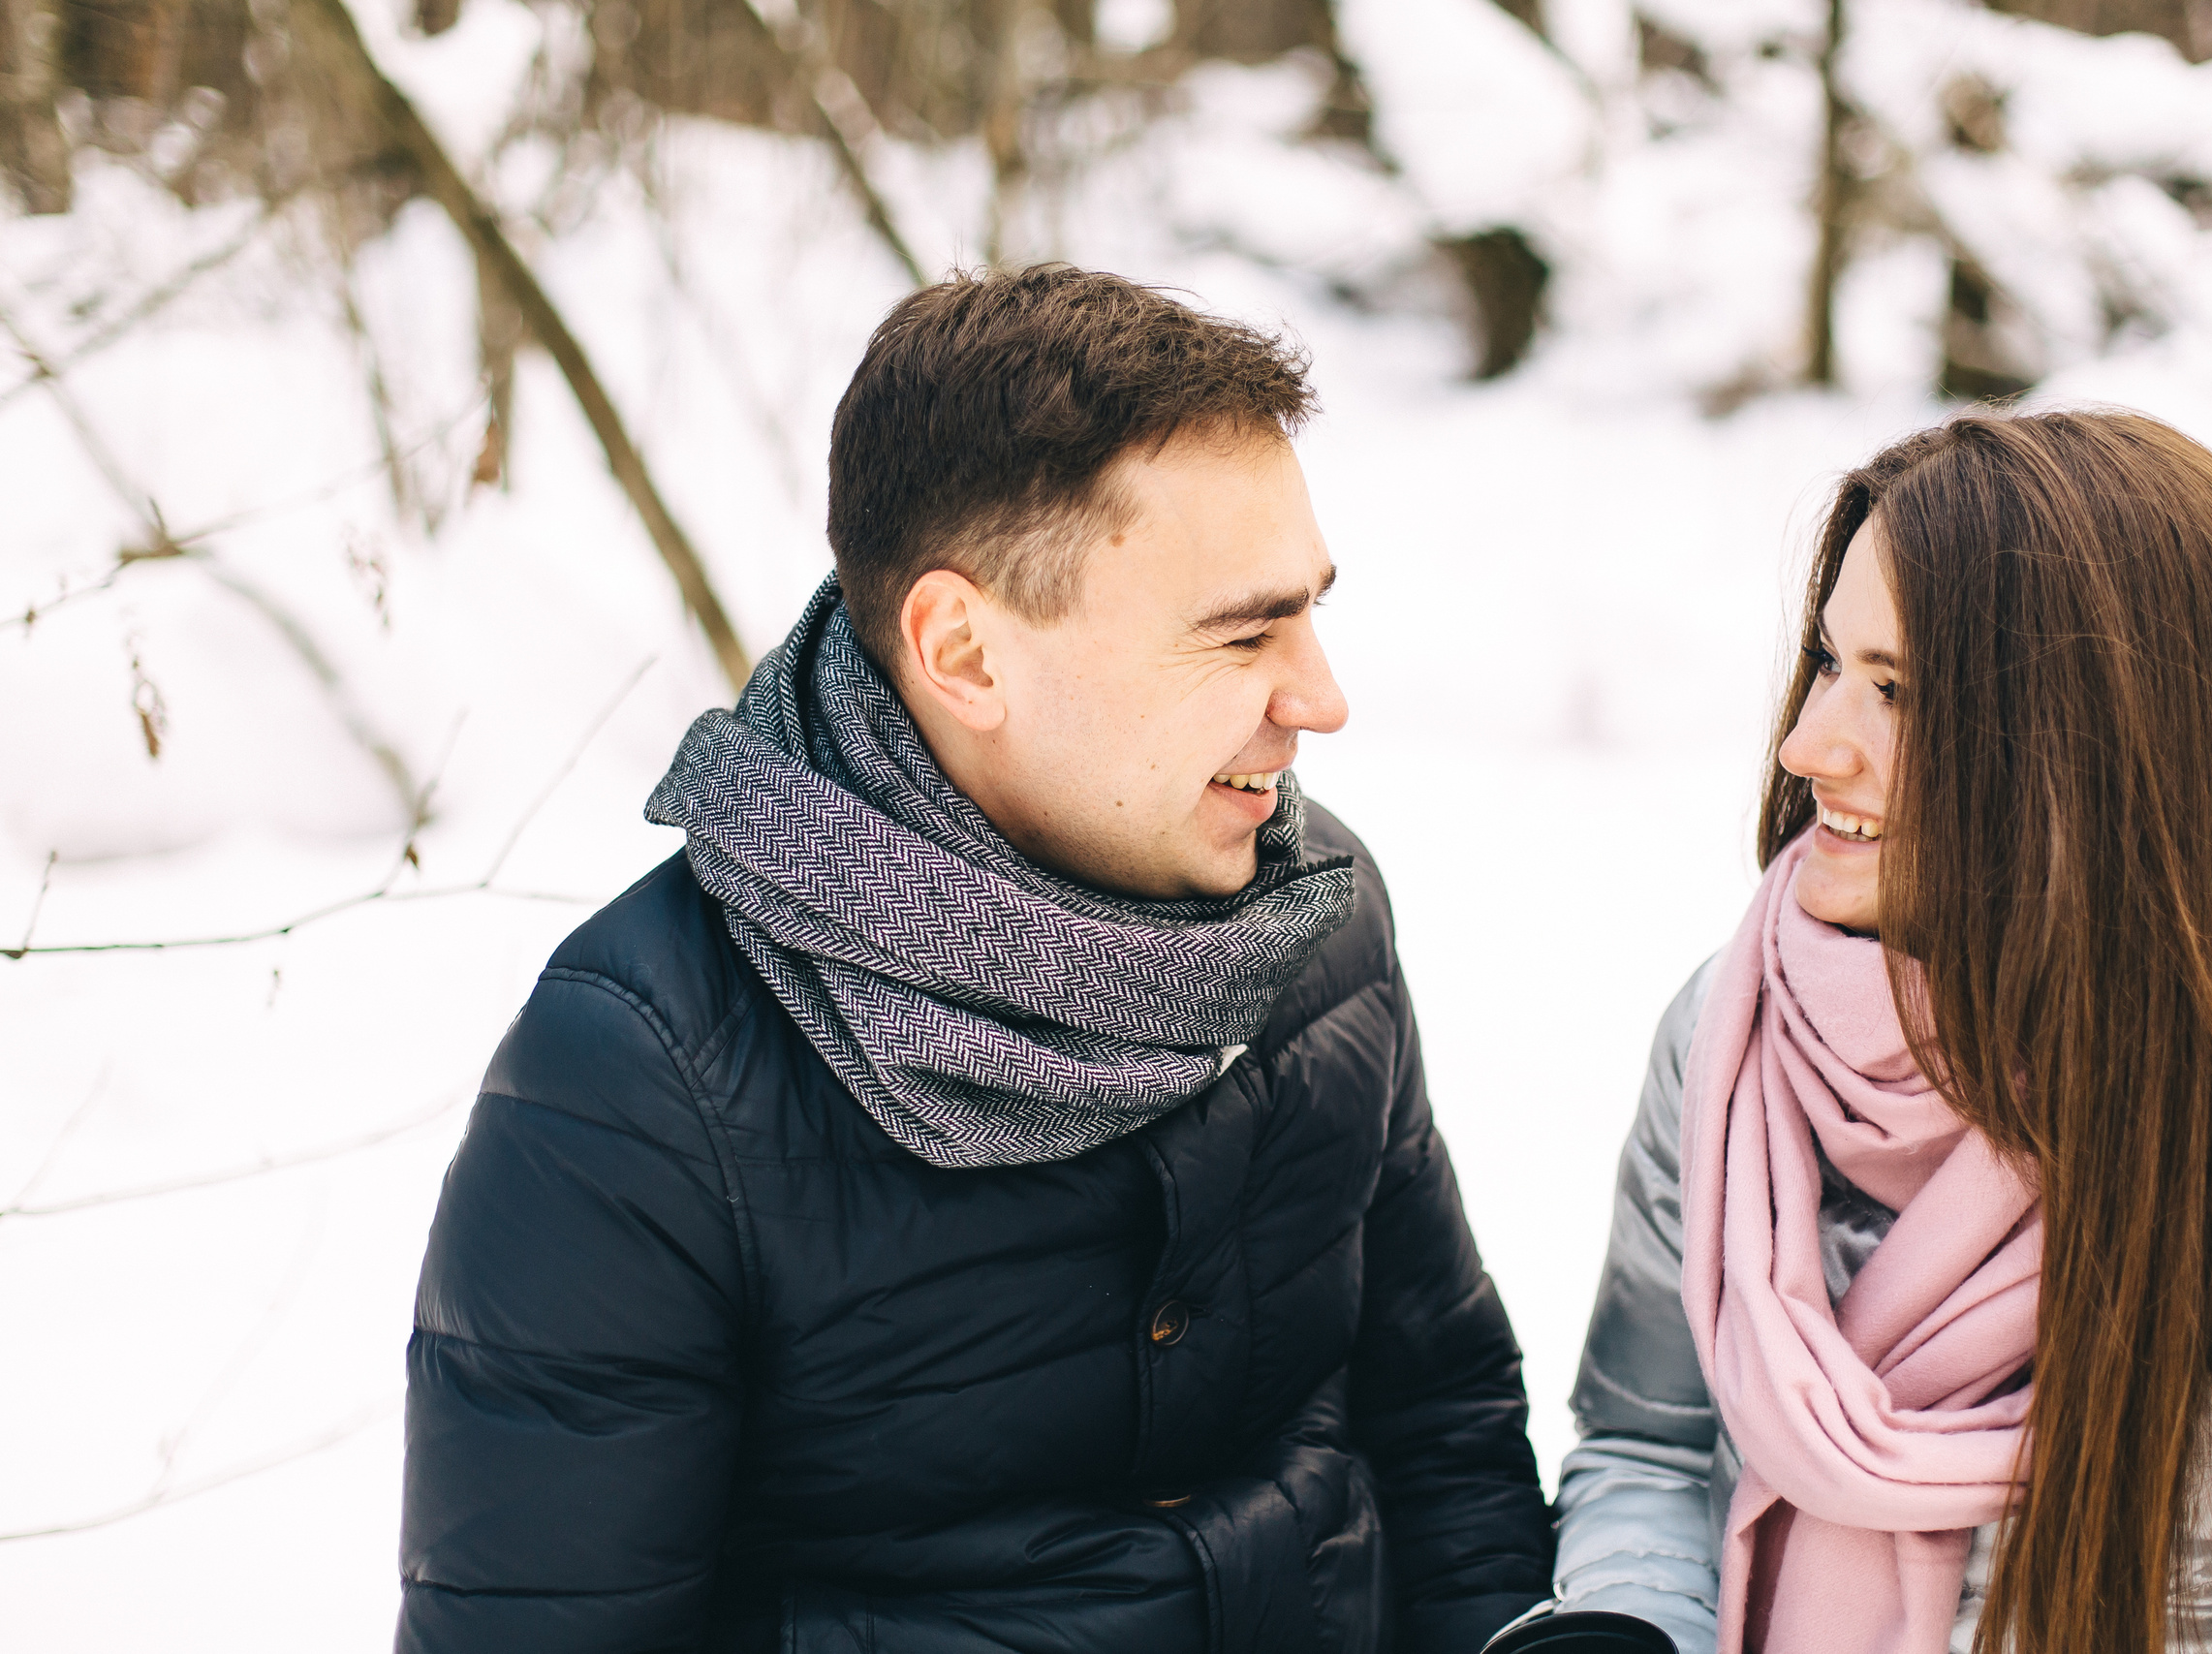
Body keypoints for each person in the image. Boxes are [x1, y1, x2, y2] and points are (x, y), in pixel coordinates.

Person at [395, 265, 1553, 1653]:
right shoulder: (643, 1080)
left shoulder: (1316, 920)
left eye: (1309, 609)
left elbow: (1443, 1421)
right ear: (966, 650)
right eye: (1244, 631)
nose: (1320, 696)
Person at [1529, 410, 2212, 1654]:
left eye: (1897, 691)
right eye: (1826, 664)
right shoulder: (1734, 1039)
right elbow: (1648, 1441)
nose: (1806, 743)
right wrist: (1624, 1628)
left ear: (2092, 747)